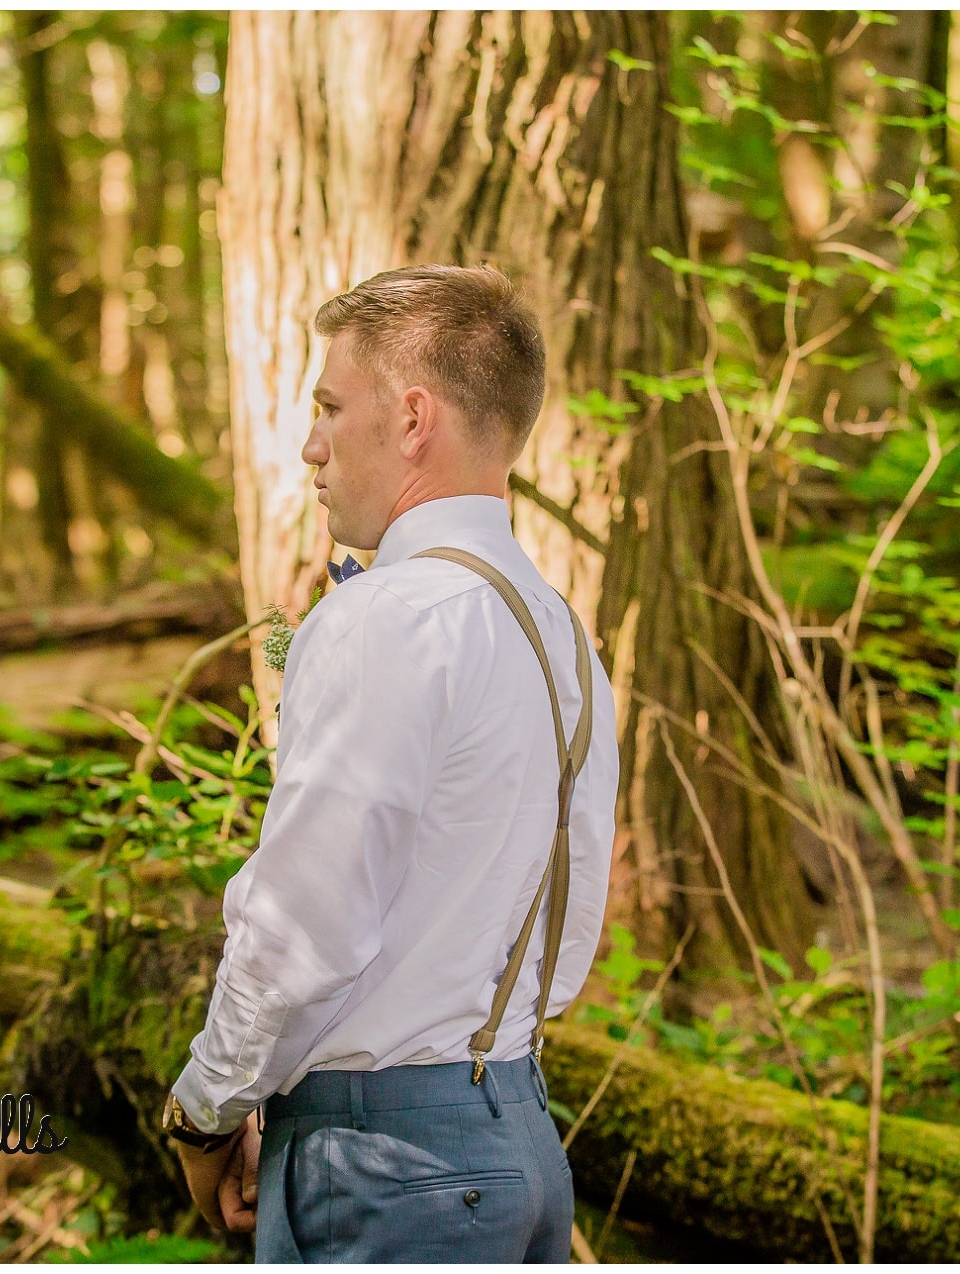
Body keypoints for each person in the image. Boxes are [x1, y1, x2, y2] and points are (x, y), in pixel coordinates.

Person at [158, 265, 617, 1261]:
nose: (310, 444)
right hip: (519, 1145)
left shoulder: (383, 618)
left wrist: (201, 1113)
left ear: (411, 418)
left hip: (380, 1166)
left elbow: (298, 927)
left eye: (328, 405)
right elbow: (573, 919)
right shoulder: (561, 635)